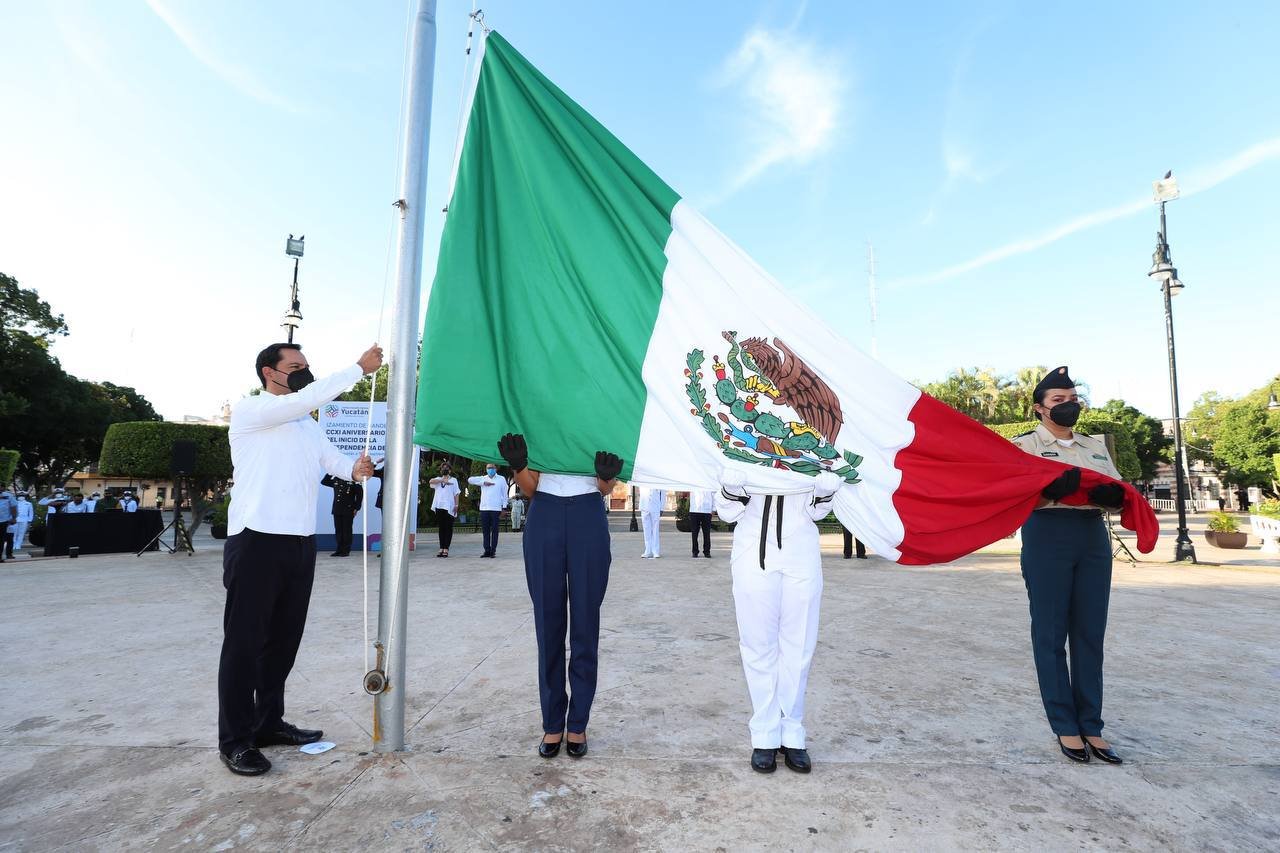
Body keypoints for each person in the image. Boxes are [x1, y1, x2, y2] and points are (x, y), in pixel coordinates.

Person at [217, 340, 382, 777]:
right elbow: (305, 399)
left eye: (307, 366)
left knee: (282, 642)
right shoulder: (253, 410)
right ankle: (235, 741)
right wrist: (358, 369)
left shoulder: (307, 424)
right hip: (255, 540)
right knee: (243, 645)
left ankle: (268, 723)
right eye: (295, 366)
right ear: (269, 373)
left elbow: (334, 462)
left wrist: (356, 469)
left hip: (299, 543)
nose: (305, 373)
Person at [1012, 366, 1127, 766]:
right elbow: (1013, 498)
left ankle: (1091, 724)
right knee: (1050, 633)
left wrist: (1114, 498)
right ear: (1039, 408)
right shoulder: (1024, 446)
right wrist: (1049, 495)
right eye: (1058, 400)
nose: (1068, 405)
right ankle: (1065, 724)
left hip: (1092, 536)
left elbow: (1117, 492)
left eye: (1073, 399)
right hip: (1047, 535)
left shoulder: (1094, 446)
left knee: (1090, 633)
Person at [497, 432, 621, 759]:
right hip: (545, 512)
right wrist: (518, 465)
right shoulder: (540, 419)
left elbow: (606, 487)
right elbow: (530, 488)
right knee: (548, 624)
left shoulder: (597, 419)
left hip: (588, 512)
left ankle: (578, 723)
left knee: (585, 623)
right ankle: (553, 723)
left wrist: (606, 477)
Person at [715, 469, 842, 774]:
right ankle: (765, 735)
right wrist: (730, 487)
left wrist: (824, 492)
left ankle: (792, 732)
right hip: (752, 550)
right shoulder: (739, 442)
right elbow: (727, 512)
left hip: (801, 550)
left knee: (799, 645)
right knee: (757, 644)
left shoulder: (812, 442)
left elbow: (816, 511)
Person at [468, 463, 510, 557]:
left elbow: (505, 494)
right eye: (488, 468)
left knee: (495, 530)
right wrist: (483, 483)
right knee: (485, 531)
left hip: (496, 508)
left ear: (496, 468)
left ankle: (493, 551)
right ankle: (487, 550)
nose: (490, 469)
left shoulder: (501, 479)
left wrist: (504, 508)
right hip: (484, 508)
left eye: (492, 467)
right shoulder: (483, 478)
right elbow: (470, 480)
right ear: (486, 469)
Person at [320, 474, 363, 557]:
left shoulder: (353, 481)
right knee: (338, 530)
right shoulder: (336, 480)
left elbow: (360, 495)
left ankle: (346, 550)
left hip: (348, 509)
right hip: (337, 509)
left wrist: (356, 508)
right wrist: (330, 472)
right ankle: (339, 550)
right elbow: (324, 482)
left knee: (347, 530)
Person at [427, 463, 461, 558]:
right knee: (441, 528)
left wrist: (456, 505)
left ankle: (446, 548)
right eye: (443, 468)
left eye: (446, 468)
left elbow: (456, 493)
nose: (444, 469)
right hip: (439, 506)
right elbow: (430, 481)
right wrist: (442, 480)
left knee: (448, 528)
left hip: (449, 507)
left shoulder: (453, 480)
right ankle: (441, 548)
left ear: (450, 470)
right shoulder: (438, 479)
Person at [639, 486, 665, 558]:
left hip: (655, 506)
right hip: (644, 506)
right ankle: (648, 550)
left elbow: (663, 493)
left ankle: (655, 551)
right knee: (646, 530)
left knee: (655, 530)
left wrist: (662, 507)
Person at [688, 489, 715, 558]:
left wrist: (714, 509)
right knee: (694, 533)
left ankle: (707, 552)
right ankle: (695, 551)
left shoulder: (709, 483)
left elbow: (714, 494)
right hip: (694, 509)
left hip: (706, 510)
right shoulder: (693, 483)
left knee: (706, 533)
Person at [9, 492, 33, 558]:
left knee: (21, 533)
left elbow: (31, 513)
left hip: (24, 520)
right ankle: (13, 545)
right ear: (17, 496)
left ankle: (18, 545)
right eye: (20, 496)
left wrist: (30, 520)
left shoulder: (28, 504)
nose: (21, 497)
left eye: (22, 496)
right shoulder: (15, 503)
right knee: (14, 533)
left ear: (24, 496)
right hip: (16, 519)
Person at [0, 491, 14, 563]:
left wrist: (12, 519)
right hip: (4, 521)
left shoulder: (10, 499)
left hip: (6, 522)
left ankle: (8, 554)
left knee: (7, 539)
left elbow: (13, 509)